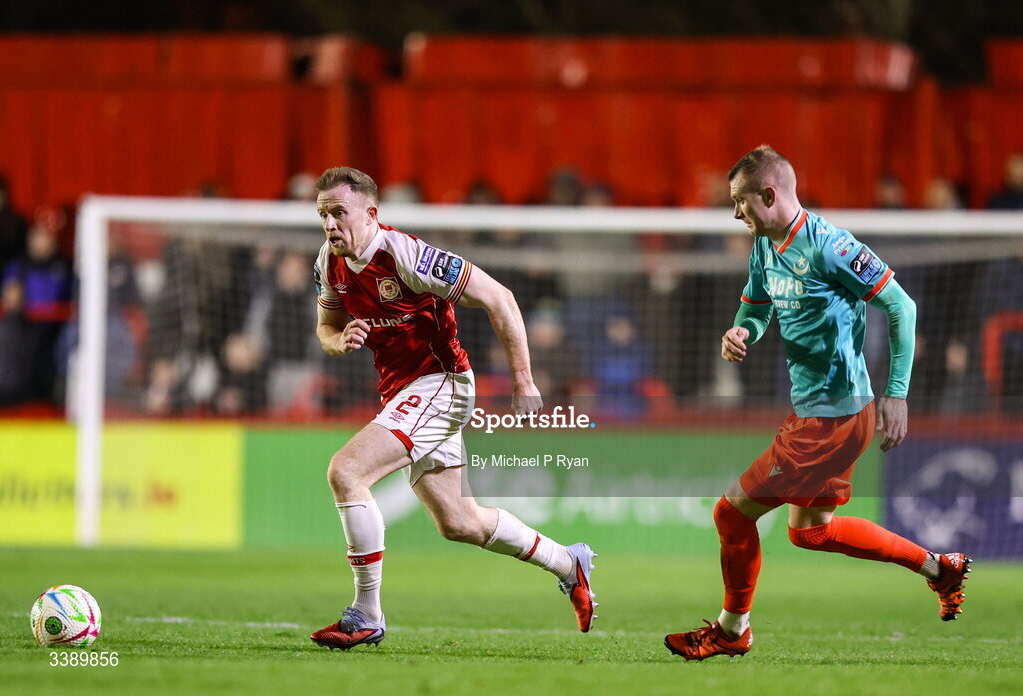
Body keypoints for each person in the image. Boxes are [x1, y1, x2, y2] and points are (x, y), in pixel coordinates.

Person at [664, 146, 972, 661]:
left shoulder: (830, 246)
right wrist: (743, 330)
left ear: (769, 194)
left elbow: (902, 304)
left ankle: (732, 630)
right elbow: (757, 306)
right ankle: (939, 567)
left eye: (740, 201)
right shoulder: (765, 245)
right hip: (814, 410)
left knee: (730, 515)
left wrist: (896, 393)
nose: (734, 213)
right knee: (812, 533)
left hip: (835, 416)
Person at [307, 167, 597, 650]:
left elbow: (499, 298)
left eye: (339, 213)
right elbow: (326, 327)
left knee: (347, 472)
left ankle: (366, 614)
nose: (330, 225)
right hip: (403, 392)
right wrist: (341, 341)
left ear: (371, 213)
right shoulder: (328, 261)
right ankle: (569, 562)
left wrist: (523, 378)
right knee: (459, 522)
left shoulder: (408, 256)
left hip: (441, 383)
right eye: (323, 215)